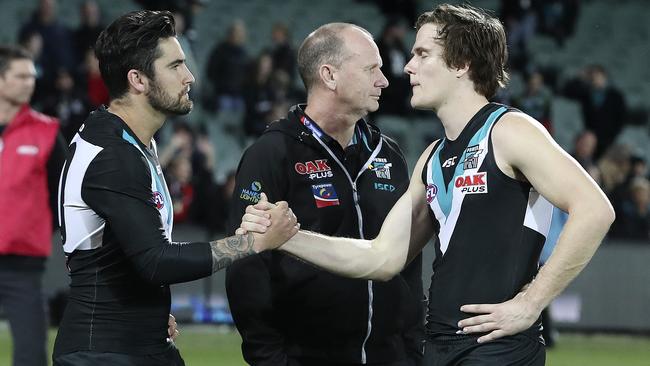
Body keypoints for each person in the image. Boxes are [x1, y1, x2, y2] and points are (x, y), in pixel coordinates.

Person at [239, 4, 614, 365]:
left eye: (422, 54)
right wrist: (286, 236)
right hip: (439, 347)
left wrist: (530, 304)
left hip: (497, 348)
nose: (407, 67)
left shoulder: (510, 130)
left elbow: (595, 210)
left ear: (461, 64)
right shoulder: (432, 157)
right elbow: (381, 257)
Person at [52, 10, 297, 366]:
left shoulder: (130, 142)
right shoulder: (114, 155)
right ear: (138, 79)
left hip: (136, 344)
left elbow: (124, 256)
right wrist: (254, 241)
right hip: (103, 353)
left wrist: (147, 310)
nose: (190, 76)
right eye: (176, 66)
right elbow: (156, 261)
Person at [226, 23, 424, 366]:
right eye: (370, 69)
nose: (384, 80)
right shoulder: (273, 154)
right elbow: (245, 268)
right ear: (329, 75)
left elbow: (408, 262)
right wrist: (270, 359)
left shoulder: (389, 156)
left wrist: (412, 353)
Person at [0, 45, 66, 366]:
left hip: (22, 266)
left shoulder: (47, 132)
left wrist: (33, 226)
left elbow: (64, 195)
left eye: (32, 76)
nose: (30, 82)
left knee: (31, 356)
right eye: (21, 75)